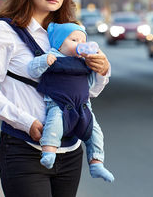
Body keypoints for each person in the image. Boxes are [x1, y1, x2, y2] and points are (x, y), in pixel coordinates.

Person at [0, 0, 111, 197]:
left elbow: (83, 94)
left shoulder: (71, 35)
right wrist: (27, 123)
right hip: (23, 150)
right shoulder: (4, 31)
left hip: (70, 153)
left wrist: (101, 71)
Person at [27, 21, 114, 183]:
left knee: (95, 133)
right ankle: (48, 152)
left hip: (83, 107)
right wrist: (43, 61)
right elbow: (32, 70)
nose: (79, 44)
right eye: (74, 40)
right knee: (54, 126)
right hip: (59, 104)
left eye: (82, 41)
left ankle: (96, 162)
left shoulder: (84, 61)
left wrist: (101, 69)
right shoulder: (52, 56)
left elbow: (93, 88)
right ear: (59, 43)